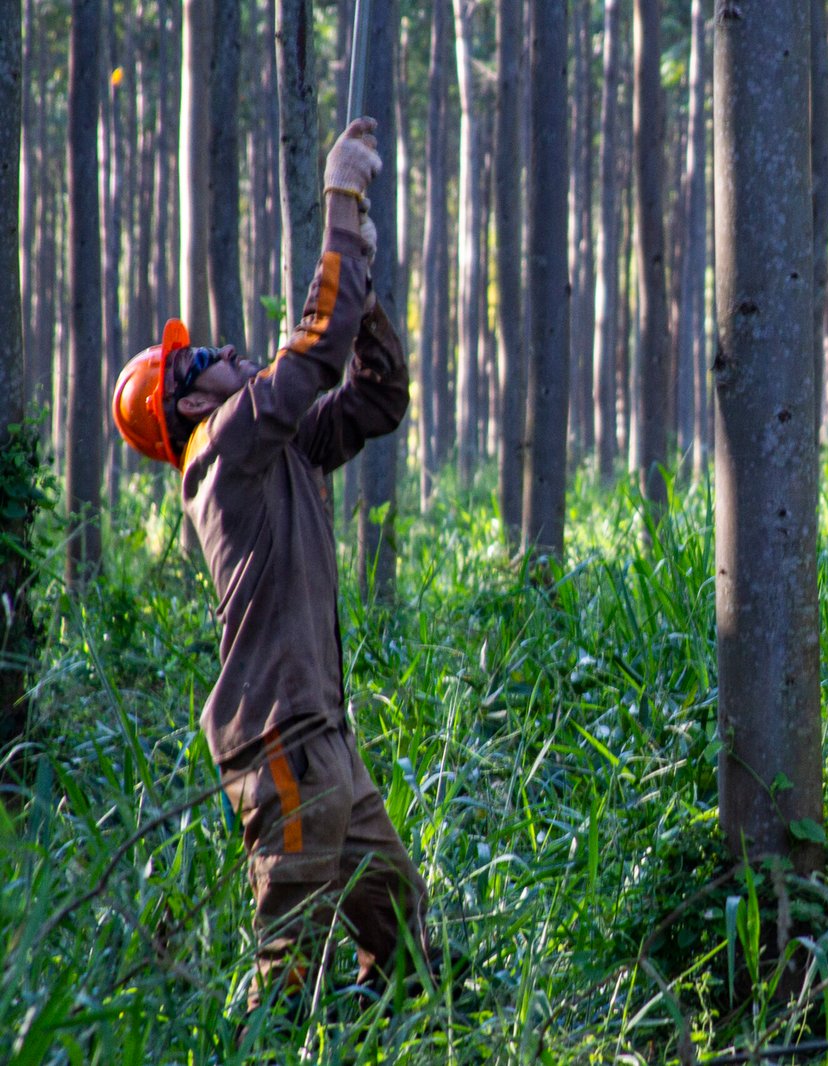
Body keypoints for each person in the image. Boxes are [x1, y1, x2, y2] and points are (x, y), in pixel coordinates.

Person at [110, 118, 429, 1014]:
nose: (222, 356)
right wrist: (340, 200)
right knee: (286, 977)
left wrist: (362, 294)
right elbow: (311, 354)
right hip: (280, 746)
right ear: (185, 410)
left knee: (403, 937)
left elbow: (373, 397)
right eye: (200, 363)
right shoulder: (223, 449)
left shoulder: (274, 448)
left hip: (326, 740)